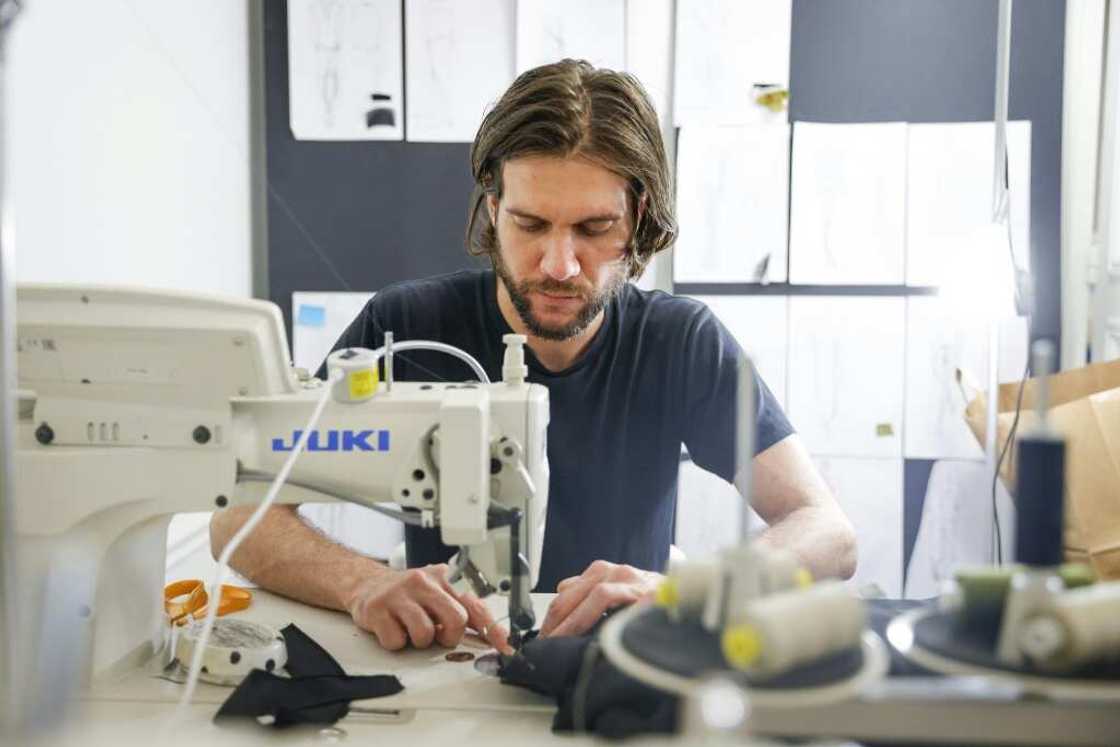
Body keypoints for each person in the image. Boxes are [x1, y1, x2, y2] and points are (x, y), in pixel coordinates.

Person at [210, 59, 856, 655]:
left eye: (594, 229)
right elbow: (240, 518)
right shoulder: (403, 327)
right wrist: (362, 580)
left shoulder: (681, 341)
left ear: (638, 218)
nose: (558, 264)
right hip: (450, 661)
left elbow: (826, 529)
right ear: (493, 210)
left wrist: (684, 592)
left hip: (618, 671)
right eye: (530, 224)